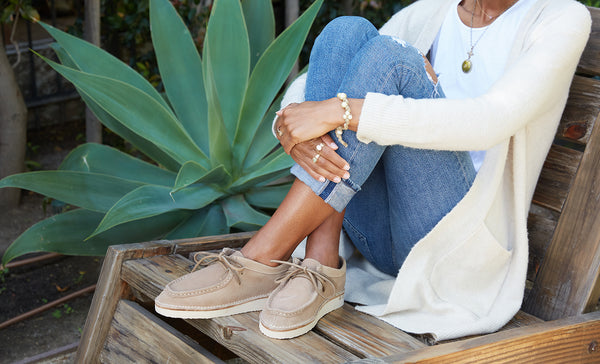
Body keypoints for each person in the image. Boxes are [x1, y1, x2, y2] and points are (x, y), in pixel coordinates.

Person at [155, 0, 591, 341]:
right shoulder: (428, 14)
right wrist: (288, 123)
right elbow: (313, 87)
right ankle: (322, 260)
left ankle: (262, 256)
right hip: (378, 238)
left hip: (456, 245)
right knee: (346, 33)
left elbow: (489, 120)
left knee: (392, 60)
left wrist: (343, 111)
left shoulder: (559, 18)